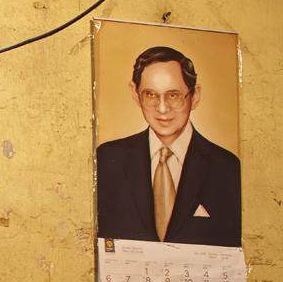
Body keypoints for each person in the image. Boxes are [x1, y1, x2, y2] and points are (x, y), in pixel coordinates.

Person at [96, 46, 241, 247]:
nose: (162, 108)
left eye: (173, 95)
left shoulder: (227, 167)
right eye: (150, 95)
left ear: (195, 96)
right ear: (136, 94)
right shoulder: (106, 159)